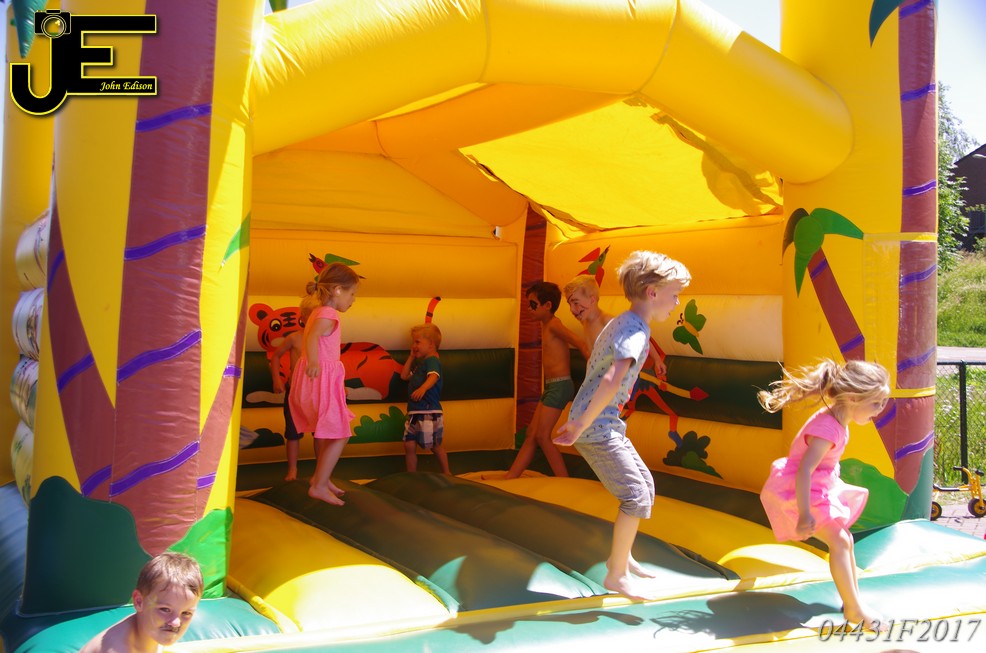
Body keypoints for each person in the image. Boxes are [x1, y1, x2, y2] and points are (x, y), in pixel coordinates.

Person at [554, 251, 691, 600]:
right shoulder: (634, 330)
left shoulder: (623, 321)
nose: (677, 302)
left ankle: (622, 556)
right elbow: (612, 378)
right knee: (634, 496)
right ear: (653, 292)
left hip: (605, 422)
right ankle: (616, 575)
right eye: (675, 294)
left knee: (645, 487)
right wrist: (580, 424)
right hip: (596, 425)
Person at [759, 358, 890, 630]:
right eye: (876, 403)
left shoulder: (838, 419)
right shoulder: (827, 429)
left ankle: (853, 602)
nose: (880, 410)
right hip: (802, 489)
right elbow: (804, 470)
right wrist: (805, 513)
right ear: (853, 398)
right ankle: (854, 609)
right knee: (840, 542)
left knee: (845, 540)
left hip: (818, 486)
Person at [289, 262, 360, 504]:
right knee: (341, 434)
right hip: (321, 382)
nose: (353, 300)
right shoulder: (329, 314)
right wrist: (314, 361)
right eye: (352, 294)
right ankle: (319, 484)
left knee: (334, 432)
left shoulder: (318, 311)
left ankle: (322, 478)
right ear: (337, 290)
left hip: (316, 382)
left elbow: (313, 336)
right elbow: (312, 337)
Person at [506, 281, 589, 479]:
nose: (529, 309)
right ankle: (511, 477)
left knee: (542, 436)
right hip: (552, 386)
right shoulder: (546, 325)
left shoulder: (554, 325)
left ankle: (565, 481)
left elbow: (580, 343)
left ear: (547, 305)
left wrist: (595, 370)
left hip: (560, 385)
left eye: (533, 304)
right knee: (532, 434)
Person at [80, 552, 203, 653]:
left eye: (186, 613)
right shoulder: (119, 648)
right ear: (139, 601)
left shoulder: (148, 630)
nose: (176, 623)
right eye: (165, 609)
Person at [565, 274, 666, 376]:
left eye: (575, 303)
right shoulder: (585, 321)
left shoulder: (606, 321)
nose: (572, 309)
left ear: (592, 300)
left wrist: (657, 360)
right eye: (569, 304)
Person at [270, 304, 319, 481]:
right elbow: (276, 356)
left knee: (319, 432)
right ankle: (292, 470)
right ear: (303, 318)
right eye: (311, 317)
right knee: (292, 433)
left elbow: (333, 363)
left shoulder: (323, 339)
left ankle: (320, 471)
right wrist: (276, 379)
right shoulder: (294, 338)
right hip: (295, 392)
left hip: (316, 392)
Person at [401, 323, 450, 474]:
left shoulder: (432, 361)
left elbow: (434, 376)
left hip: (428, 410)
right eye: (413, 342)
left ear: (431, 344)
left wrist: (423, 388)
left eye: (417, 342)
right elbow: (404, 376)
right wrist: (411, 356)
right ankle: (412, 475)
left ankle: (447, 472)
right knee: (409, 445)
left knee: (435, 445)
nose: (414, 345)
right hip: (415, 412)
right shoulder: (421, 365)